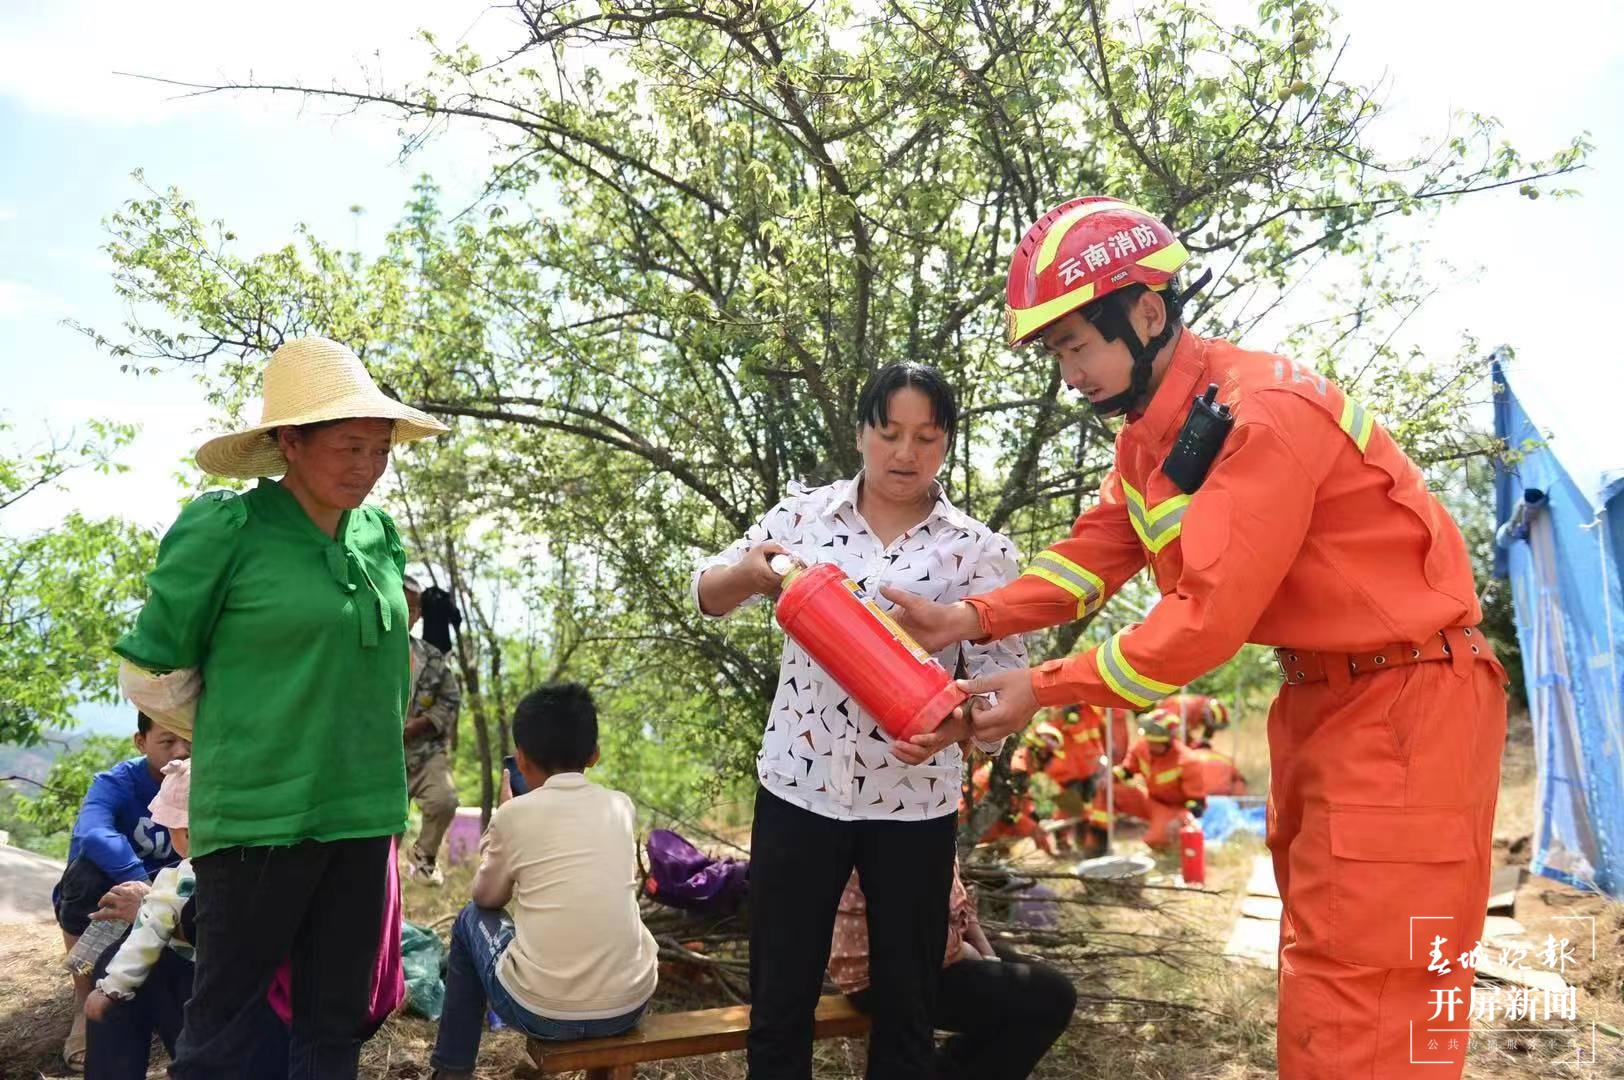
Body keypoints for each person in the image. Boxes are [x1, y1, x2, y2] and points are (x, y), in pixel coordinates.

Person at [883, 196, 1508, 1077]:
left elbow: (1203, 623)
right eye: (1057, 351)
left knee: (1367, 983)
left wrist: (1042, 687)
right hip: (1334, 698)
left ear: (1146, 311)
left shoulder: (1262, 416)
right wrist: (971, 616)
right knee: (1330, 966)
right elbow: (1092, 557)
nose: (1068, 375)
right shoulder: (1157, 436)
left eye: (1074, 345)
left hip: (1404, 702)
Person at [112, 335, 448, 1078]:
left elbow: (386, 677)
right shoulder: (228, 529)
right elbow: (153, 668)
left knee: (334, 1025)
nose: (368, 467)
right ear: (290, 442)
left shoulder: (378, 535)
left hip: (363, 811)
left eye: (381, 448)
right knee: (225, 1029)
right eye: (350, 446)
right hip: (259, 814)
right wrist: (246, 732)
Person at [693, 362, 1028, 1080]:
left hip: (915, 809)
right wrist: (751, 573)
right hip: (798, 794)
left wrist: (960, 726)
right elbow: (708, 591)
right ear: (860, 433)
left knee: (908, 1011)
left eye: (926, 437)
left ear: (947, 445)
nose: (905, 454)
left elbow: (1005, 689)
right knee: (779, 1005)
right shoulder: (801, 519)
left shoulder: (979, 550)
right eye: (889, 433)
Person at [429, 683, 657, 1079]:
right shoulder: (620, 807)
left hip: (542, 1011)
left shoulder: (516, 815)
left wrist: (501, 822)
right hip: (629, 1004)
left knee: (468, 920)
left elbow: (485, 897)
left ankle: (451, 1070)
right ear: (594, 755)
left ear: (521, 759)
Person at [828, 863, 1076, 1080]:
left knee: (1044, 989)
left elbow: (955, 894)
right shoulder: (889, 821)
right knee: (1050, 998)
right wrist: (964, 952)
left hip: (932, 949)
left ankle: (943, 1071)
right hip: (882, 969)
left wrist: (985, 952)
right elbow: (906, 918)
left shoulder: (931, 815)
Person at [53, 712, 190, 1070]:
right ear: (141, 742)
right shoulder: (116, 782)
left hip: (180, 902)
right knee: (87, 871)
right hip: (113, 898)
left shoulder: (204, 781)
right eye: (167, 741)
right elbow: (93, 831)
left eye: (188, 739)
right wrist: (140, 882)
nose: (181, 750)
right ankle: (83, 998)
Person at [402, 574, 462, 885]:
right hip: (378, 758)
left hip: (424, 751)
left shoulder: (430, 656)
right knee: (382, 832)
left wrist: (421, 724)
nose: (406, 613)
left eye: (412, 608)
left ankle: (424, 857)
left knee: (444, 799)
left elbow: (451, 698)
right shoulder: (363, 648)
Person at [1083, 714, 1205, 854]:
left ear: (1168, 742)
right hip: (1149, 801)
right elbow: (1126, 771)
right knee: (1107, 790)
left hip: (1173, 809)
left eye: (1155, 743)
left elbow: (1197, 803)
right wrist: (1109, 776)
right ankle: (1097, 844)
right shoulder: (1143, 747)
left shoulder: (1187, 761)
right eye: (1148, 741)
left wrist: (1180, 820)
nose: (1150, 745)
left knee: (1156, 839)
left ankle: (1171, 845)